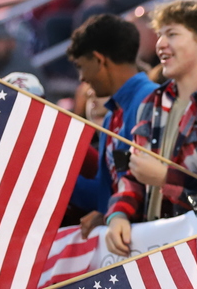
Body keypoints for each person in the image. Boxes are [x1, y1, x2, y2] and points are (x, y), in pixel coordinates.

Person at [105, 0, 197, 255]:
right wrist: (118, 213)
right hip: (150, 249)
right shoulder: (150, 102)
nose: (160, 44)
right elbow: (130, 174)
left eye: (172, 34)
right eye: (160, 34)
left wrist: (165, 179)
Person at [68, 14, 159, 221]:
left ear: (99, 60)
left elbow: (153, 185)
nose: (82, 78)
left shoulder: (152, 100)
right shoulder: (111, 117)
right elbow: (103, 194)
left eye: (82, 66)